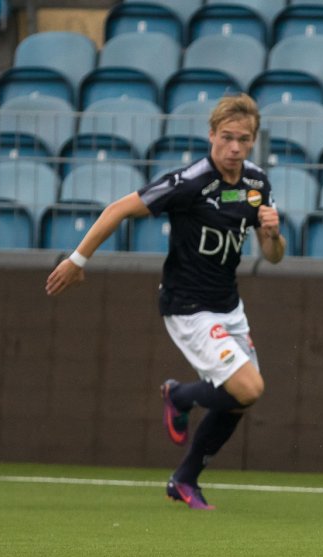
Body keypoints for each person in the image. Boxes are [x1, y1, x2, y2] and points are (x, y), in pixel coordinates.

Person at [45, 93, 285, 510]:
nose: (234, 147)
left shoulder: (257, 184)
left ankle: (184, 479)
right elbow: (118, 209)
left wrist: (273, 233)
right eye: (227, 137)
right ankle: (180, 395)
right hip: (188, 306)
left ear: (253, 141)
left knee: (242, 398)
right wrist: (77, 260)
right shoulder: (189, 182)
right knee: (249, 386)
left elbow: (274, 256)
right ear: (211, 135)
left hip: (229, 306)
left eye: (244, 140)